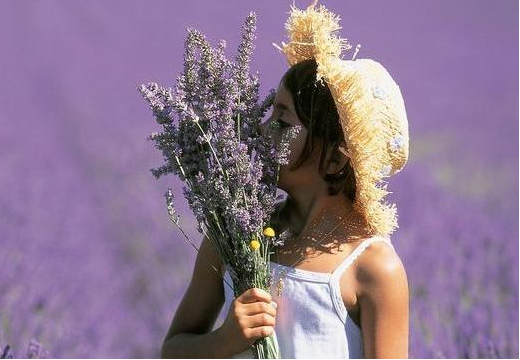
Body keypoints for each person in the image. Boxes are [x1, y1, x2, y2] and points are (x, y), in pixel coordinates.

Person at [161, 1, 410, 358]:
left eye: (282, 121)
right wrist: (226, 340)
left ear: (335, 158)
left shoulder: (373, 268)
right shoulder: (234, 234)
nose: (261, 131)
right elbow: (171, 351)